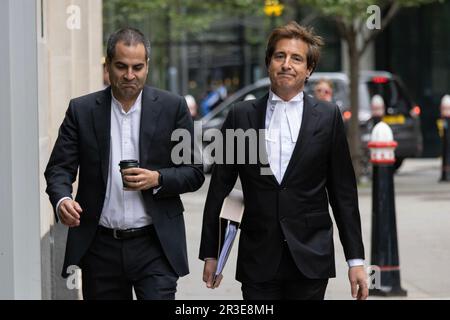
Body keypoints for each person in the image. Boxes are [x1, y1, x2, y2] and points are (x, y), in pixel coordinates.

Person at [199, 21, 368, 300]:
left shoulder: (328, 117)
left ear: (308, 69)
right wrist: (212, 252)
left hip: (311, 257)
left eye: (296, 58)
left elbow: (343, 194)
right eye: (280, 56)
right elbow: (220, 187)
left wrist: (356, 261)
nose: (287, 64)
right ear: (269, 63)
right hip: (258, 258)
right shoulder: (240, 116)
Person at [45, 27, 204, 300]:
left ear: (147, 66)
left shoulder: (172, 108)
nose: (130, 75)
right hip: (100, 246)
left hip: (155, 245)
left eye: (137, 67)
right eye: (121, 66)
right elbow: (59, 168)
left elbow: (194, 171)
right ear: (107, 66)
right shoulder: (81, 110)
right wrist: (62, 200)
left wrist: (158, 179)